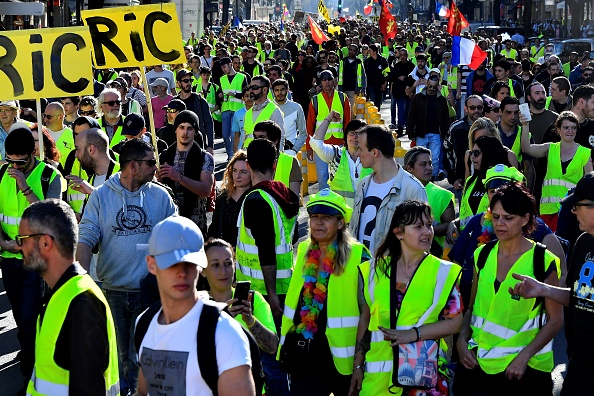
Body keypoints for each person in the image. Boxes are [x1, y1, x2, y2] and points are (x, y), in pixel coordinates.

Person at [77, 138, 177, 395]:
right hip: (114, 292)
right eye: (150, 163)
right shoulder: (101, 197)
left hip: (152, 294)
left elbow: (177, 237)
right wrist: (82, 283)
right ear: (132, 166)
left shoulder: (161, 196)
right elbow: (86, 239)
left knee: (149, 356)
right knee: (122, 358)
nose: (156, 167)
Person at [454, 183, 563, 395]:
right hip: (480, 365)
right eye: (495, 217)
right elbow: (472, 309)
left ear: (525, 219)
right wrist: (461, 339)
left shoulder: (543, 260)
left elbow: (556, 320)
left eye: (508, 217)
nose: (500, 224)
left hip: (523, 372)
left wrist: (524, 357)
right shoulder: (482, 255)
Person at [350, 200, 463, 396]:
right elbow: (366, 320)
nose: (427, 232)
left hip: (425, 382)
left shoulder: (444, 271)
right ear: (398, 232)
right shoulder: (373, 271)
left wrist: (415, 334)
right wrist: (357, 366)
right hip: (378, 383)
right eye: (418, 227)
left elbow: (455, 323)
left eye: (429, 225)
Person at [135, 216, 255, 396]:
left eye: (190, 263)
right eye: (171, 264)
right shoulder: (145, 322)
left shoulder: (223, 332)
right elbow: (144, 392)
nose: (182, 273)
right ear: (152, 265)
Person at [21, 199, 119, 395]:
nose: (19, 247)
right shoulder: (65, 293)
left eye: (22, 239)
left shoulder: (81, 303)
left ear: (45, 242)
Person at [277, 189, 369, 395]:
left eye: (326, 218)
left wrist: (359, 365)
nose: (318, 223)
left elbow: (368, 313)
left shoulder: (358, 256)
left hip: (342, 362)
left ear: (340, 223)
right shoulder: (303, 251)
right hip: (306, 355)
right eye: (314, 217)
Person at [510, 172, 594, 394]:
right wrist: (544, 289)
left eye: (578, 205)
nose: (573, 211)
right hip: (580, 362)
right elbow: (579, 295)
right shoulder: (584, 242)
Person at [0, 126, 63, 390]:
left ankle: (31, 376)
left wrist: (26, 188)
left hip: (37, 261)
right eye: (10, 160)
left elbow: (51, 219)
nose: (14, 166)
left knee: (29, 317)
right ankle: (30, 356)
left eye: (20, 161)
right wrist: (3, 243)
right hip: (8, 257)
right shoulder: (0, 173)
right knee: (20, 315)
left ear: (33, 153)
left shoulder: (50, 176)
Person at [203, 238, 280, 395]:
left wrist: (251, 321)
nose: (223, 271)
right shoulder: (199, 304)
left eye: (228, 263)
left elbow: (272, 347)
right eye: (215, 265)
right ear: (203, 270)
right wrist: (224, 320)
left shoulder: (254, 299)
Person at [236, 138, 300, 321]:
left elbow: (267, 250)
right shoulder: (283, 194)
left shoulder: (256, 200)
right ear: (275, 164)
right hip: (284, 285)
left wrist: (271, 295)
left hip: (262, 293)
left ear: (248, 165)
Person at [350, 125, 427, 256]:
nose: (357, 153)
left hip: (392, 272)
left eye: (360, 149)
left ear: (374, 152)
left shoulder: (412, 189)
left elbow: (421, 240)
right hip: (361, 270)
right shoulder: (363, 185)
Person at [520, 111, 593, 231]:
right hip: (548, 210)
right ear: (558, 130)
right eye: (566, 128)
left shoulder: (586, 153)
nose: (570, 131)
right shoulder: (550, 148)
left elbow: (589, 186)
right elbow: (526, 148)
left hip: (571, 210)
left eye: (573, 128)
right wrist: (525, 125)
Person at [158, 110, 215, 236]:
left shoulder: (205, 158)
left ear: (195, 132)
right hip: (169, 222)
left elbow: (206, 190)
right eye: (181, 127)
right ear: (175, 130)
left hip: (195, 225)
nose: (185, 132)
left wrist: (177, 177)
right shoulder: (163, 157)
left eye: (189, 128)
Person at [454, 135, 512, 233]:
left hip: (490, 239)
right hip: (467, 239)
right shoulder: (470, 181)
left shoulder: (502, 182)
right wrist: (455, 222)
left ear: (489, 154)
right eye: (472, 152)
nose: (472, 157)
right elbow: (466, 214)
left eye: (476, 153)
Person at [311, 115, 371, 208]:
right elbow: (315, 143)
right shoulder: (336, 154)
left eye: (359, 134)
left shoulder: (371, 158)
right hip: (340, 214)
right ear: (346, 135)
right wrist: (328, 119)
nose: (355, 137)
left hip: (365, 214)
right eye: (352, 133)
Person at [306, 69, 351, 190]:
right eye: (324, 79)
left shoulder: (343, 98)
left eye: (329, 79)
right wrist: (309, 147)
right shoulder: (315, 100)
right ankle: (324, 204)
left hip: (339, 144)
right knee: (322, 177)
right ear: (320, 82)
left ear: (334, 81)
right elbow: (310, 125)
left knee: (339, 177)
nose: (327, 82)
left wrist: (349, 144)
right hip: (321, 144)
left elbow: (348, 123)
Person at [404, 146, 455, 250]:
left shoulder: (443, 194)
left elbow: (450, 225)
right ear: (409, 168)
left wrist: (421, 230)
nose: (429, 168)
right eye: (423, 164)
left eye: (430, 163)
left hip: (433, 254)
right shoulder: (397, 191)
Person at [407, 74, 450, 180]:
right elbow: (411, 116)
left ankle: (431, 178)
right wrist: (411, 133)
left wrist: (445, 134)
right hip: (421, 133)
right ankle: (420, 178)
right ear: (426, 84)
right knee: (420, 159)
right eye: (430, 86)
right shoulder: (418, 98)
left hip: (436, 133)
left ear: (438, 86)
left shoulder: (441, 100)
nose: (431, 89)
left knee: (434, 158)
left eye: (434, 87)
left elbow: (446, 119)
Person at [444, 95, 485, 203]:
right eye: (472, 107)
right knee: (465, 215)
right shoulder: (456, 128)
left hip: (484, 181)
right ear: (466, 109)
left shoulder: (489, 128)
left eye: (479, 107)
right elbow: (446, 152)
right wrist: (453, 178)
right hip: (461, 181)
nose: (476, 110)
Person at [208, 150, 251, 245]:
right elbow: (214, 227)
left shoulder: (255, 198)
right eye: (235, 171)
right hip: (225, 254)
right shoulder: (223, 197)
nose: (237, 176)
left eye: (243, 172)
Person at [174, 69, 215, 153]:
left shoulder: (200, 100)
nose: (189, 83)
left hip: (198, 144)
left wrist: (210, 145)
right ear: (178, 83)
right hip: (179, 146)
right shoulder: (174, 102)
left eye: (190, 80)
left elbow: (209, 123)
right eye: (185, 81)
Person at [220, 57, 250, 159]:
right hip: (225, 109)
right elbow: (220, 92)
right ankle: (230, 154)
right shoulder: (222, 79)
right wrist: (219, 95)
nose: (224, 69)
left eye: (224, 67)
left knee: (234, 136)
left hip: (237, 109)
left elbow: (246, 93)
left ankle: (233, 156)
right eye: (222, 68)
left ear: (230, 64)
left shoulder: (242, 77)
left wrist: (235, 94)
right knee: (224, 135)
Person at [243, 75, 285, 149]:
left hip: (266, 156)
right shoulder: (248, 113)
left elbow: (280, 139)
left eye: (255, 87)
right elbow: (244, 138)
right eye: (250, 87)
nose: (251, 91)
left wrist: (277, 157)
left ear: (265, 90)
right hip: (249, 155)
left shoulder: (274, 110)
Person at [272, 79, 307, 155]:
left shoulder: (296, 107)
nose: (279, 93)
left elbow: (303, 133)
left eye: (282, 90)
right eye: (277, 90)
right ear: (273, 91)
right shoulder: (268, 108)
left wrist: (295, 149)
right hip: (271, 152)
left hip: (290, 151)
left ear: (287, 90)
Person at [387, 47, 415, 135]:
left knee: (408, 109)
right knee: (400, 108)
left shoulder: (411, 66)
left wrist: (410, 89)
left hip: (408, 91)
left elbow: (413, 78)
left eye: (404, 55)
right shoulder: (397, 65)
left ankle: (408, 126)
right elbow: (391, 77)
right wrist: (398, 77)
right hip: (398, 91)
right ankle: (400, 126)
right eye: (401, 55)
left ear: (407, 56)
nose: (403, 57)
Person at [338, 44, 367, 110]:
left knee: (351, 109)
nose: (352, 52)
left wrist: (363, 90)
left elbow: (363, 76)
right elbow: (338, 75)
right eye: (350, 50)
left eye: (354, 50)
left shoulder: (358, 62)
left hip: (354, 90)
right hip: (343, 89)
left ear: (356, 52)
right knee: (342, 109)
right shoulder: (343, 61)